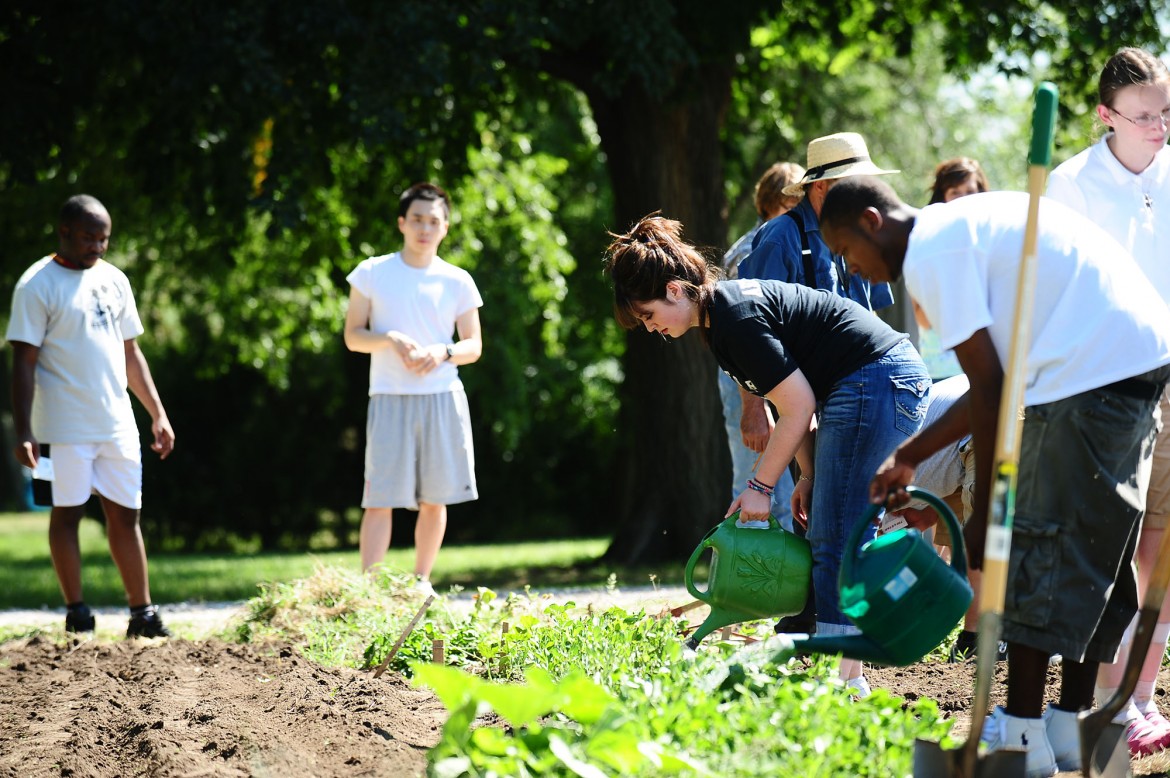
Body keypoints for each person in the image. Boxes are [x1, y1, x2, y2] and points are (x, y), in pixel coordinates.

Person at [820, 176, 1170, 776]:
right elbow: (996, 379)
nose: (859, 272)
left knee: (1036, 549)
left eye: (849, 253)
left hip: (1093, 376)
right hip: (1132, 363)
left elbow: (993, 390)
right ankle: (1069, 726)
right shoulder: (961, 232)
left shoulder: (931, 253)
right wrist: (911, 454)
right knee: (1093, 551)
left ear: (873, 221)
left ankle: (1022, 736)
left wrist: (984, 512)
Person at [604, 213, 930, 698]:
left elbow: (799, 407)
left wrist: (759, 487)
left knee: (839, 535)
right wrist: (807, 476)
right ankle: (845, 667)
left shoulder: (735, 320)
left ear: (675, 289)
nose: (651, 329)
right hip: (862, 387)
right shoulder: (719, 324)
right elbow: (792, 405)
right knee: (829, 527)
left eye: (649, 316)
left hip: (880, 381)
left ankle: (849, 680)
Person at [1045, 46, 1170, 757]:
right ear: (1105, 116)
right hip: (1107, 383)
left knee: (1160, 546)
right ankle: (1099, 697)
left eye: (1166, 114)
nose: (1159, 128)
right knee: (1109, 543)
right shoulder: (1072, 185)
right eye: (1145, 116)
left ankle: (1141, 698)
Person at [737, 134, 899, 633]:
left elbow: (878, 310)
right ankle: (814, 609)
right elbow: (749, 329)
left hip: (855, 385)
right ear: (825, 188)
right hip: (800, 395)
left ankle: (835, 611)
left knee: (841, 503)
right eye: (858, 181)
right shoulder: (779, 238)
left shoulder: (861, 233)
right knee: (818, 503)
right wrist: (752, 407)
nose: (871, 191)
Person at [6, 195, 176, 638]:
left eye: (103, 239)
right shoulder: (37, 285)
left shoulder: (114, 279)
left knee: (126, 516)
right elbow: (23, 361)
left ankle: (142, 614)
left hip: (116, 423)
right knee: (67, 514)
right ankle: (77, 613)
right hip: (60, 427)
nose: (97, 247)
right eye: (88, 238)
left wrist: (156, 413)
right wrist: (24, 429)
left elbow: (130, 352)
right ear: (64, 232)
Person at [344, 182, 483, 595]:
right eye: (417, 219)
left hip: (442, 398)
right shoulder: (371, 272)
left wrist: (443, 352)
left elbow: (473, 346)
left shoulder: (457, 280)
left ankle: (422, 582)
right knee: (379, 498)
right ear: (402, 223)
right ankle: (369, 590)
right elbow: (353, 336)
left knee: (434, 498)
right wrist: (389, 339)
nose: (425, 228)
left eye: (434, 221)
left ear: (446, 227)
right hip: (388, 396)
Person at [719, 161, 805, 530]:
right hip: (746, 379)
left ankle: (792, 578)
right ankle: (754, 576)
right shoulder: (751, 251)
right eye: (790, 204)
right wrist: (752, 407)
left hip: (784, 374)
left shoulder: (797, 242)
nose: (797, 212)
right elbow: (744, 335)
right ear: (770, 204)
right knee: (757, 482)